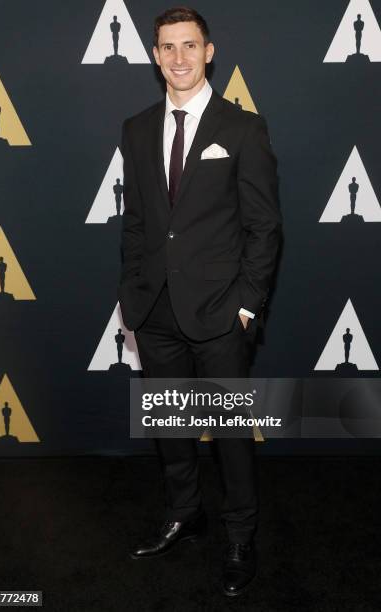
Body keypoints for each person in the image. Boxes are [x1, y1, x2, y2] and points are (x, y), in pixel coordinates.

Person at [118, 6, 282, 597]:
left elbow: (264, 227)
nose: (179, 57)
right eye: (168, 47)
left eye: (190, 45)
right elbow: (137, 222)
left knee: (231, 432)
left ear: (209, 52)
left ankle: (241, 534)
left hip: (219, 311)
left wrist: (246, 305)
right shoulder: (136, 129)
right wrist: (131, 290)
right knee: (169, 423)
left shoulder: (243, 128)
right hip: (153, 309)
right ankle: (186, 513)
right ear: (155, 55)